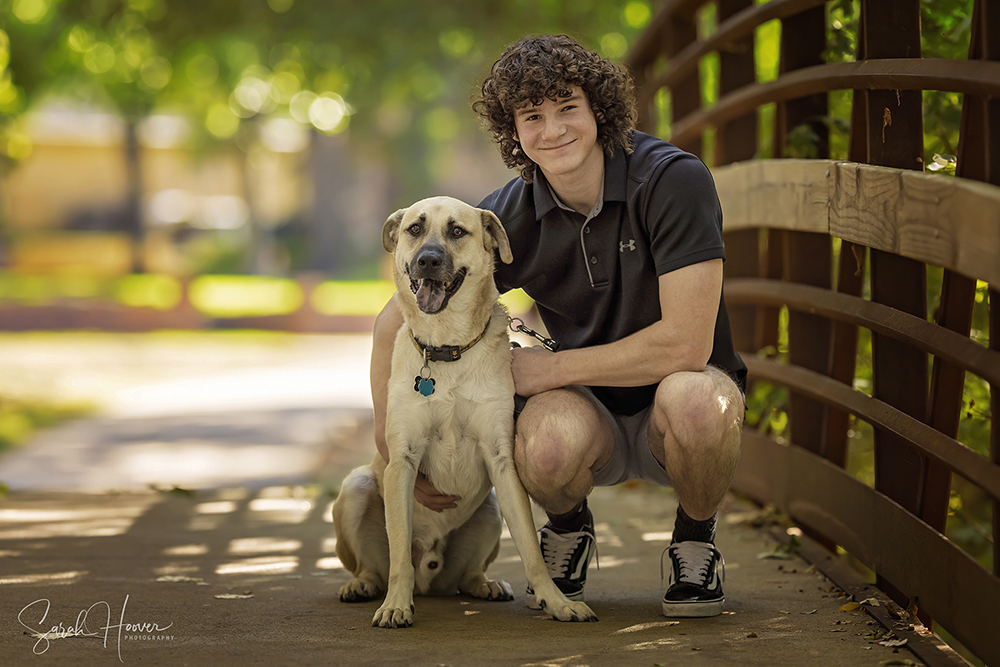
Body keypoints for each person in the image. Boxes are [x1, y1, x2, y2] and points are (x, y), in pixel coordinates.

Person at [371, 33, 747, 618]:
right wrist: (388, 446)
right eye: (533, 116)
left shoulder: (673, 180)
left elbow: (688, 343)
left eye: (568, 107)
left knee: (703, 402)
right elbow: (394, 319)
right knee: (542, 445)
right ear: (514, 131)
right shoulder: (511, 213)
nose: (553, 130)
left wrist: (548, 369)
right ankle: (569, 529)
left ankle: (695, 540)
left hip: (676, 403)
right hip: (586, 412)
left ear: (599, 108)